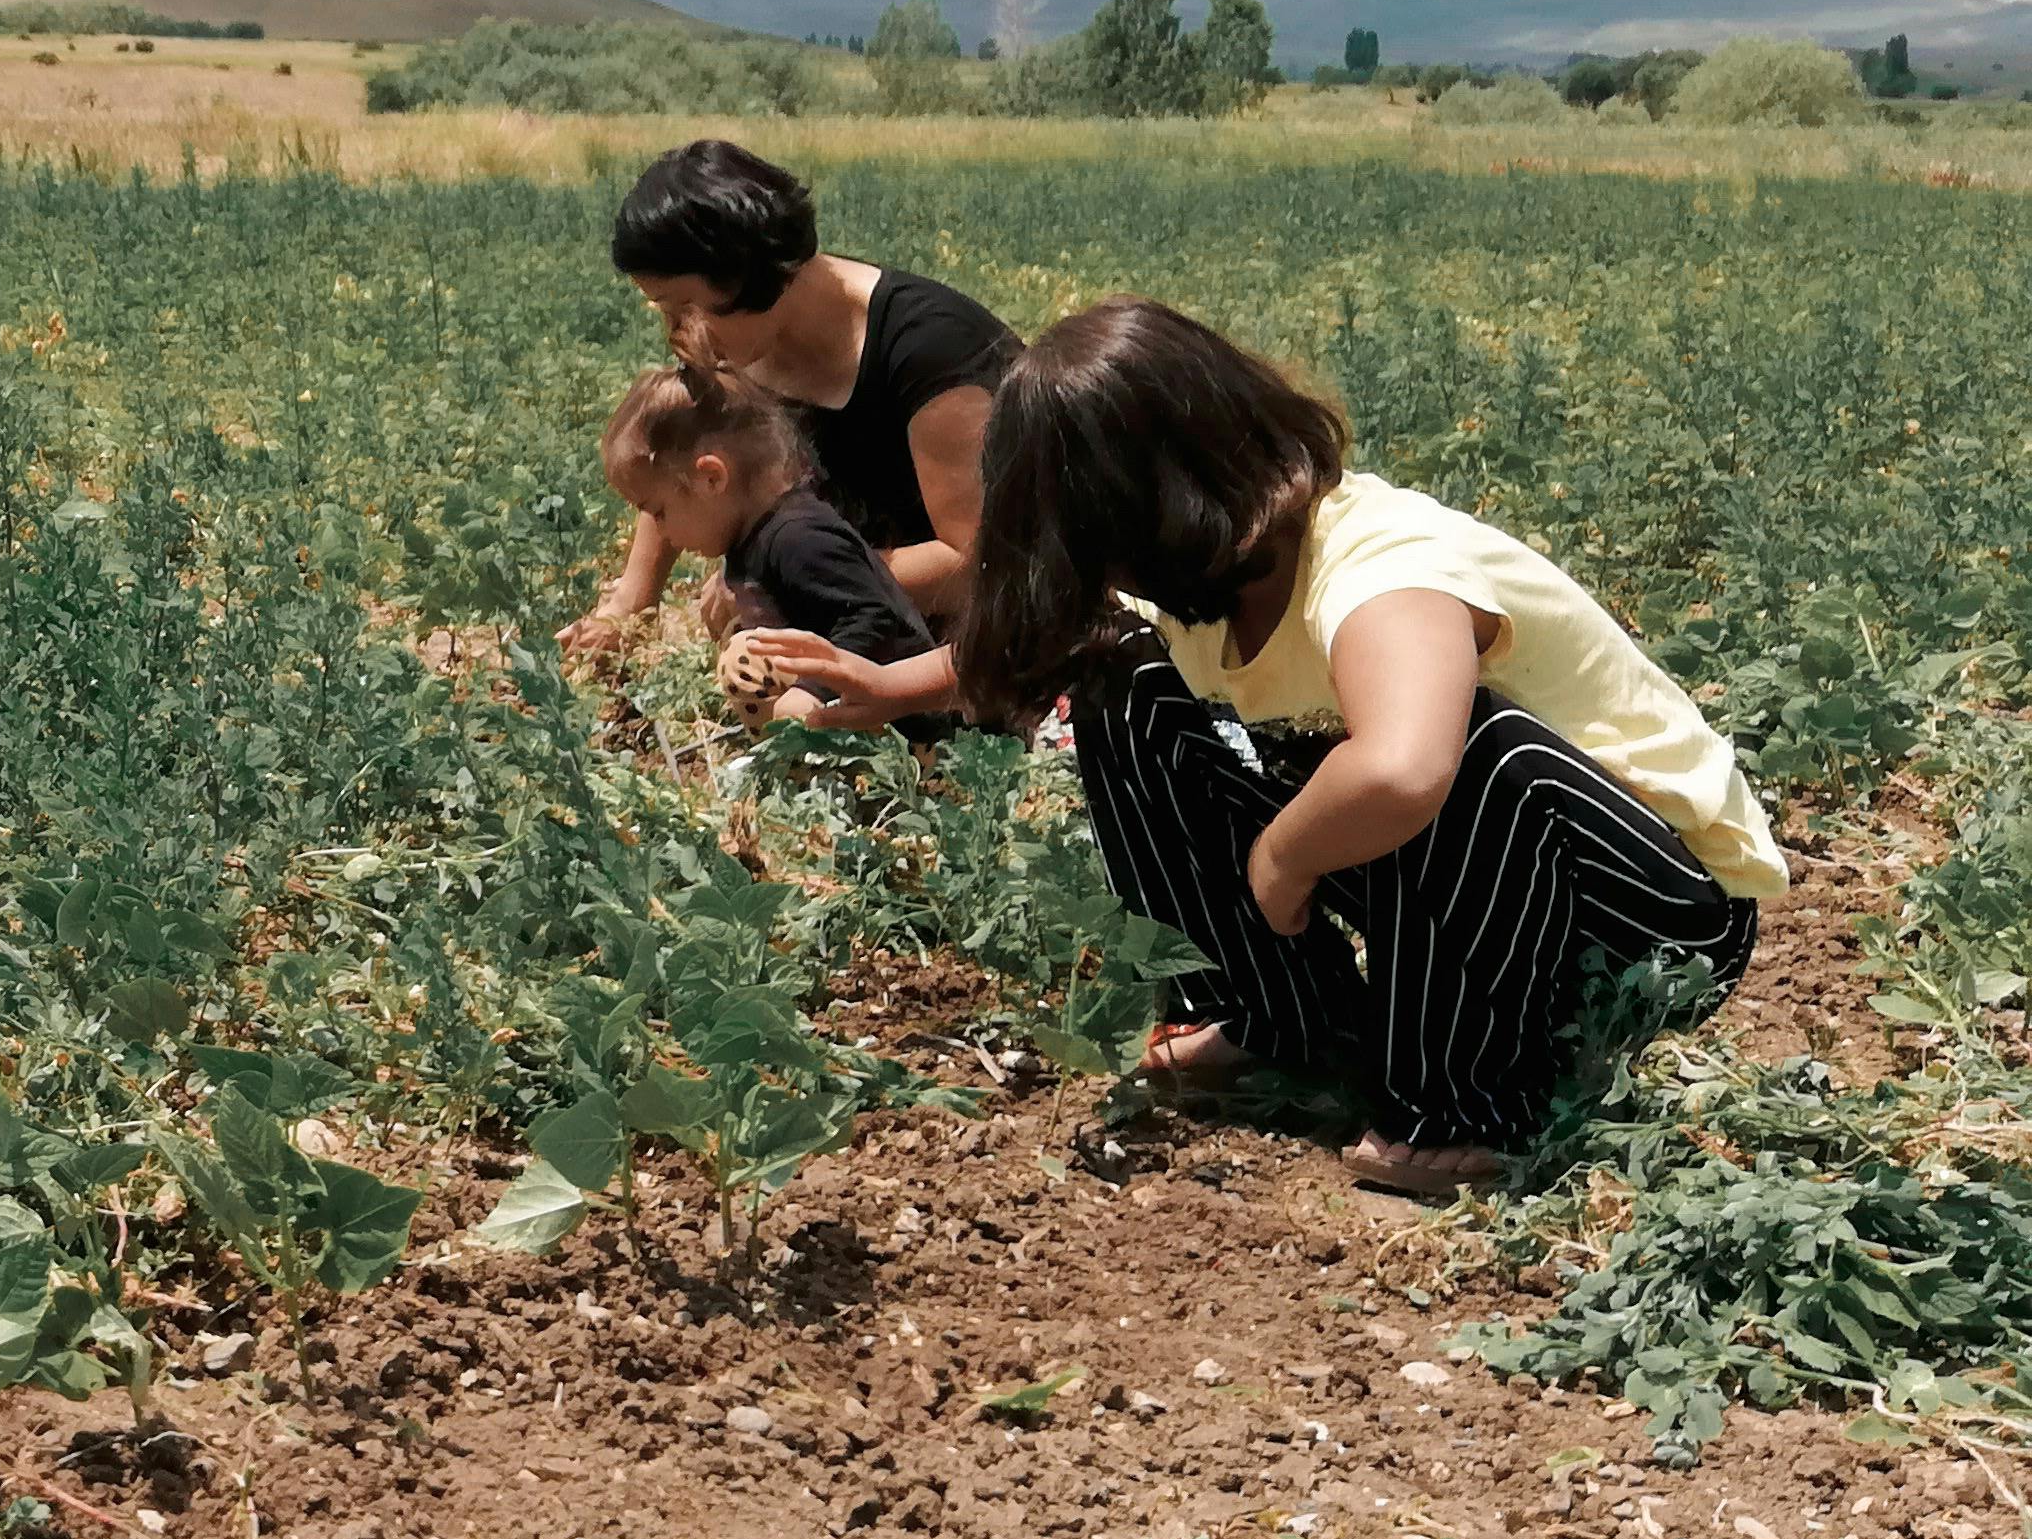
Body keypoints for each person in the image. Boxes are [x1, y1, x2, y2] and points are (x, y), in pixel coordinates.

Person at [957, 299, 1784, 1199]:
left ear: (1157, 513)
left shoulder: (1383, 567)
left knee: (1466, 745)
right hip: (1480, 877)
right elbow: (1054, 639)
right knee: (1120, 678)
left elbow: (1402, 769)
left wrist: (1283, 855)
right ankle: (1277, 1017)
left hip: (1649, 918)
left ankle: (1462, 1108)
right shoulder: (1217, 573)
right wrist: (883, 682)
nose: (1101, 575)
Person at [573, 140, 1021, 652]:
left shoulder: (931, 354)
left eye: (685, 306)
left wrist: (782, 587)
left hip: (978, 653)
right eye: (664, 310)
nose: (678, 331)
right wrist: (629, 606)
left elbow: (975, 566)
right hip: (859, 630)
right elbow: (673, 450)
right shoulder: (735, 342)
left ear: (749, 274)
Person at [596, 367, 943, 732]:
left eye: (659, 512)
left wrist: (813, 691)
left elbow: (875, 618)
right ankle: (793, 757)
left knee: (746, 657)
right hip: (863, 713)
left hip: (908, 725)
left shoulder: (798, 539)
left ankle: (808, 762)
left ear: (711, 478)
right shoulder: (753, 537)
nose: (661, 533)